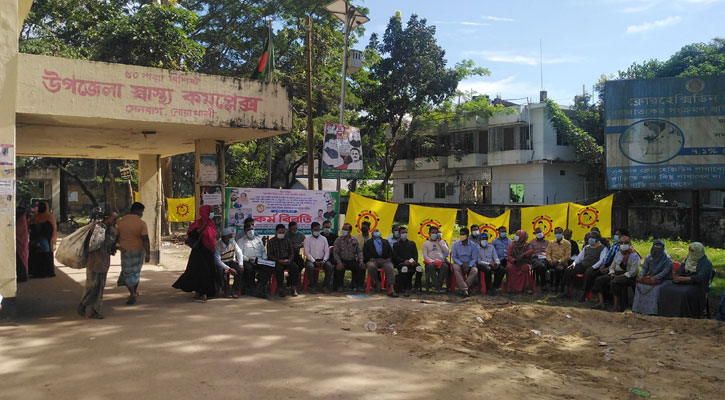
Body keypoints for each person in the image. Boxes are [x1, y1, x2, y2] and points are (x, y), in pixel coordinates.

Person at [173, 205, 219, 302]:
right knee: (201, 272)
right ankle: (202, 293)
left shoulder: (211, 223)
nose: (212, 213)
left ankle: (205, 292)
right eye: (210, 211)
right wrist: (203, 227)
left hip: (209, 252)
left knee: (209, 271)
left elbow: (213, 236)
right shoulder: (197, 223)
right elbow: (192, 235)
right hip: (199, 252)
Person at [77, 210, 119, 319]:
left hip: (104, 261)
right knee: (92, 286)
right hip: (94, 261)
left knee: (100, 287)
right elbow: (91, 245)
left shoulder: (112, 230)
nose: (115, 221)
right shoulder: (97, 228)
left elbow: (111, 245)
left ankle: (95, 310)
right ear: (107, 217)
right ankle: (84, 304)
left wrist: (114, 247)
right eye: (113, 219)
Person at [658, 242, 714, 318]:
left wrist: (683, 279)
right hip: (684, 282)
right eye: (689, 250)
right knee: (665, 288)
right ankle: (666, 313)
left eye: (692, 251)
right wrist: (676, 276)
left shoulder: (706, 263)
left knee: (684, 293)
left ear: (698, 251)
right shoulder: (688, 259)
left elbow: (700, 278)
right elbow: (680, 269)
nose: (690, 253)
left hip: (697, 285)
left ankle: (683, 315)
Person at [590, 235, 640, 311]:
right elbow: (612, 266)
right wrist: (612, 273)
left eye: (626, 242)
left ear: (630, 244)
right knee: (599, 280)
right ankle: (601, 303)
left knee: (615, 282)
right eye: (621, 242)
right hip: (616, 273)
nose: (623, 244)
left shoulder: (634, 256)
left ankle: (616, 306)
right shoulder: (618, 254)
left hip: (628, 276)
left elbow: (633, 272)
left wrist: (621, 276)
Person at [117, 202, 150, 304]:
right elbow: (145, 239)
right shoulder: (142, 223)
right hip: (139, 251)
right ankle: (133, 292)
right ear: (139, 211)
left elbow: (115, 237)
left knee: (127, 272)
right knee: (136, 272)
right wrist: (148, 253)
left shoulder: (120, 222)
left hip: (125, 250)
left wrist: (116, 247)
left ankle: (133, 292)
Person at [561, 231, 607, 301]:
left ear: (597, 239)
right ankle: (566, 291)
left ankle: (584, 293)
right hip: (583, 265)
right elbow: (579, 258)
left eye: (593, 238)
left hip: (594, 267)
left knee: (588, 273)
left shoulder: (603, 248)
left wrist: (593, 267)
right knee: (569, 270)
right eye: (590, 237)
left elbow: (601, 261)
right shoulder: (586, 247)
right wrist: (574, 264)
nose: (590, 239)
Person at [632, 240, 673, 315]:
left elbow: (664, 272)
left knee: (656, 289)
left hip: (665, 279)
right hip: (650, 277)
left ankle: (652, 311)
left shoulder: (667, 260)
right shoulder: (649, 257)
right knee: (640, 285)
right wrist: (642, 275)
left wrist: (655, 277)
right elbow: (644, 268)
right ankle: (639, 308)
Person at [267, 224, 300, 297]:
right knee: (279, 269)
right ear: (276, 232)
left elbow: (292, 253)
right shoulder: (271, 241)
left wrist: (289, 260)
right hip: (277, 261)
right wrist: (278, 260)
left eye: (283, 233)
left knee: (295, 267)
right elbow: (269, 254)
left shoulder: (288, 241)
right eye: (280, 233)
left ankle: (294, 288)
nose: (281, 234)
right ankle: (280, 288)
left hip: (287, 260)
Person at [363, 228, 398, 297]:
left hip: (384, 260)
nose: (377, 233)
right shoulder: (368, 242)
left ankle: (391, 288)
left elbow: (390, 252)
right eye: (375, 232)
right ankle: (377, 282)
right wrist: (369, 258)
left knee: (390, 267)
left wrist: (389, 258)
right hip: (373, 260)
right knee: (370, 266)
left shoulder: (385, 242)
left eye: (378, 232)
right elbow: (365, 252)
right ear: (372, 234)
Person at [237, 222, 268, 298]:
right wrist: (247, 259)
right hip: (247, 261)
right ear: (245, 231)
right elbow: (239, 254)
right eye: (249, 230)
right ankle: (252, 288)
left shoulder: (258, 239)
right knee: (249, 268)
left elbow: (263, 251)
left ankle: (260, 287)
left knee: (268, 268)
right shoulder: (241, 241)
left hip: (259, 260)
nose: (251, 231)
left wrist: (265, 258)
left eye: (252, 229)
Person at [27, 201, 57, 278]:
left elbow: (29, 226)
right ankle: (44, 272)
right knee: (43, 256)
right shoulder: (48, 217)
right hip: (43, 241)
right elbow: (53, 230)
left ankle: (38, 272)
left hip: (39, 241)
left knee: (38, 256)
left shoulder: (36, 217)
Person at [332, 223, 365, 292]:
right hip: (342, 260)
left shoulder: (355, 240)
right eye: (343, 229)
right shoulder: (338, 240)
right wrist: (338, 261)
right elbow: (335, 252)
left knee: (361, 267)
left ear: (350, 231)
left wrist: (361, 260)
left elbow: (359, 251)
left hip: (352, 260)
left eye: (345, 229)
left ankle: (358, 285)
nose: (343, 231)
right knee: (339, 268)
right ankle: (339, 286)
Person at [303, 222, 334, 293]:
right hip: (311, 260)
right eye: (315, 230)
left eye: (318, 230)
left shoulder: (324, 239)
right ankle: (312, 286)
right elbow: (307, 253)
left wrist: (324, 260)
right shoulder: (307, 239)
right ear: (311, 230)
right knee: (310, 267)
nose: (317, 231)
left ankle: (325, 286)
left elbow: (327, 251)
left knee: (329, 267)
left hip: (322, 260)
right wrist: (314, 261)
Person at [214, 228, 244, 298]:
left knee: (240, 270)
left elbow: (239, 252)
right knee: (221, 271)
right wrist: (228, 269)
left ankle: (234, 289)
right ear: (224, 237)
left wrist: (241, 264)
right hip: (222, 263)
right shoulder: (218, 246)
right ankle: (225, 290)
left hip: (230, 261)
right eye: (229, 237)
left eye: (231, 236)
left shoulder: (233, 242)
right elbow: (217, 261)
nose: (231, 238)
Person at [392, 227, 420, 296]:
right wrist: (404, 261)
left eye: (406, 232)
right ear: (399, 234)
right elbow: (395, 256)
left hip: (411, 262)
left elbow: (415, 254)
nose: (404, 234)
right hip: (401, 263)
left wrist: (414, 261)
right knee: (404, 268)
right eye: (403, 233)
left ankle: (416, 287)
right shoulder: (396, 244)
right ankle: (405, 288)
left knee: (419, 268)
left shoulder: (412, 243)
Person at [451, 228, 479, 297]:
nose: (462, 236)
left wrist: (469, 265)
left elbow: (474, 258)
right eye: (460, 234)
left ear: (467, 235)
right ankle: (465, 289)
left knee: (475, 270)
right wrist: (461, 264)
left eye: (463, 234)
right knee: (456, 268)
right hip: (459, 263)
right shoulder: (455, 244)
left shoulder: (473, 245)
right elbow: (454, 257)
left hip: (469, 263)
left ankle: (463, 289)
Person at [422, 226, 450, 294]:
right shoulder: (425, 244)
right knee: (430, 267)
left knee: (445, 267)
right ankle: (437, 286)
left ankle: (439, 286)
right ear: (429, 233)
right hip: (430, 262)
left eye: (436, 233)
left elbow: (446, 251)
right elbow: (425, 256)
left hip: (441, 262)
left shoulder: (441, 242)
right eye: (433, 233)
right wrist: (432, 261)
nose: (434, 234)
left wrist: (440, 242)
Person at [506, 230, 535, 294]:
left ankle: (527, 287)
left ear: (523, 238)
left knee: (526, 267)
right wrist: (513, 260)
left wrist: (523, 255)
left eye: (518, 236)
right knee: (510, 267)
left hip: (523, 262)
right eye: (516, 235)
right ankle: (511, 288)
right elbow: (508, 255)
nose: (516, 237)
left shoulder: (527, 244)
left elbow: (531, 250)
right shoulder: (512, 244)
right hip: (513, 262)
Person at [545, 227, 571, 292]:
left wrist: (558, 261)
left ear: (562, 233)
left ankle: (556, 286)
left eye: (559, 233)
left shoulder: (567, 243)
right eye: (556, 233)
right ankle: (544, 284)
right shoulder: (551, 242)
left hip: (562, 262)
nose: (557, 234)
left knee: (558, 269)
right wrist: (550, 260)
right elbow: (548, 253)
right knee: (541, 266)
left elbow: (567, 256)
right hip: (552, 261)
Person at [16, 207, 29, 283]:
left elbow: (18, 231)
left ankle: (22, 276)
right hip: (20, 244)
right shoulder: (22, 219)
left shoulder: (21, 220)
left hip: (20, 244)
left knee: (21, 259)